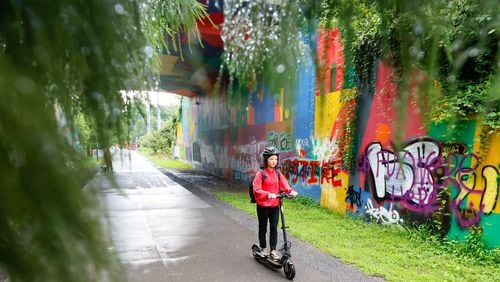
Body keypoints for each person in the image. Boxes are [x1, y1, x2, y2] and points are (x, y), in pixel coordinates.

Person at [252, 146, 298, 261]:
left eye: (276, 159)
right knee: (263, 227)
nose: (274, 161)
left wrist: (291, 191)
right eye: (271, 159)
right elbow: (256, 189)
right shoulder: (260, 173)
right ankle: (263, 248)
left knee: (274, 228)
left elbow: (285, 185)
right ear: (266, 159)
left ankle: (273, 250)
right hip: (263, 205)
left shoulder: (278, 173)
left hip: (275, 206)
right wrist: (268, 194)